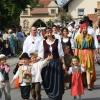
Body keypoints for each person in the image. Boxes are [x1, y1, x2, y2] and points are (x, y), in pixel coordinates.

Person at [38, 28, 65, 100]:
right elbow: (40, 55)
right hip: (47, 64)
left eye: (50, 32)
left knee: (57, 81)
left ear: (52, 33)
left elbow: (61, 54)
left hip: (56, 63)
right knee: (47, 81)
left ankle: (57, 97)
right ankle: (51, 95)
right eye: (47, 33)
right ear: (45, 34)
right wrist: (34, 62)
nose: (49, 34)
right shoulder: (42, 42)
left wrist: (63, 63)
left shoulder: (57, 41)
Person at [74, 23, 96, 90]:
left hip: (88, 53)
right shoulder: (78, 37)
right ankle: (82, 84)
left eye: (86, 28)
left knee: (88, 70)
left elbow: (93, 48)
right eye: (83, 28)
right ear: (81, 29)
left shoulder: (90, 37)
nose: (85, 29)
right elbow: (76, 48)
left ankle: (89, 85)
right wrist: (75, 57)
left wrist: (94, 56)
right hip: (80, 54)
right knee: (80, 70)